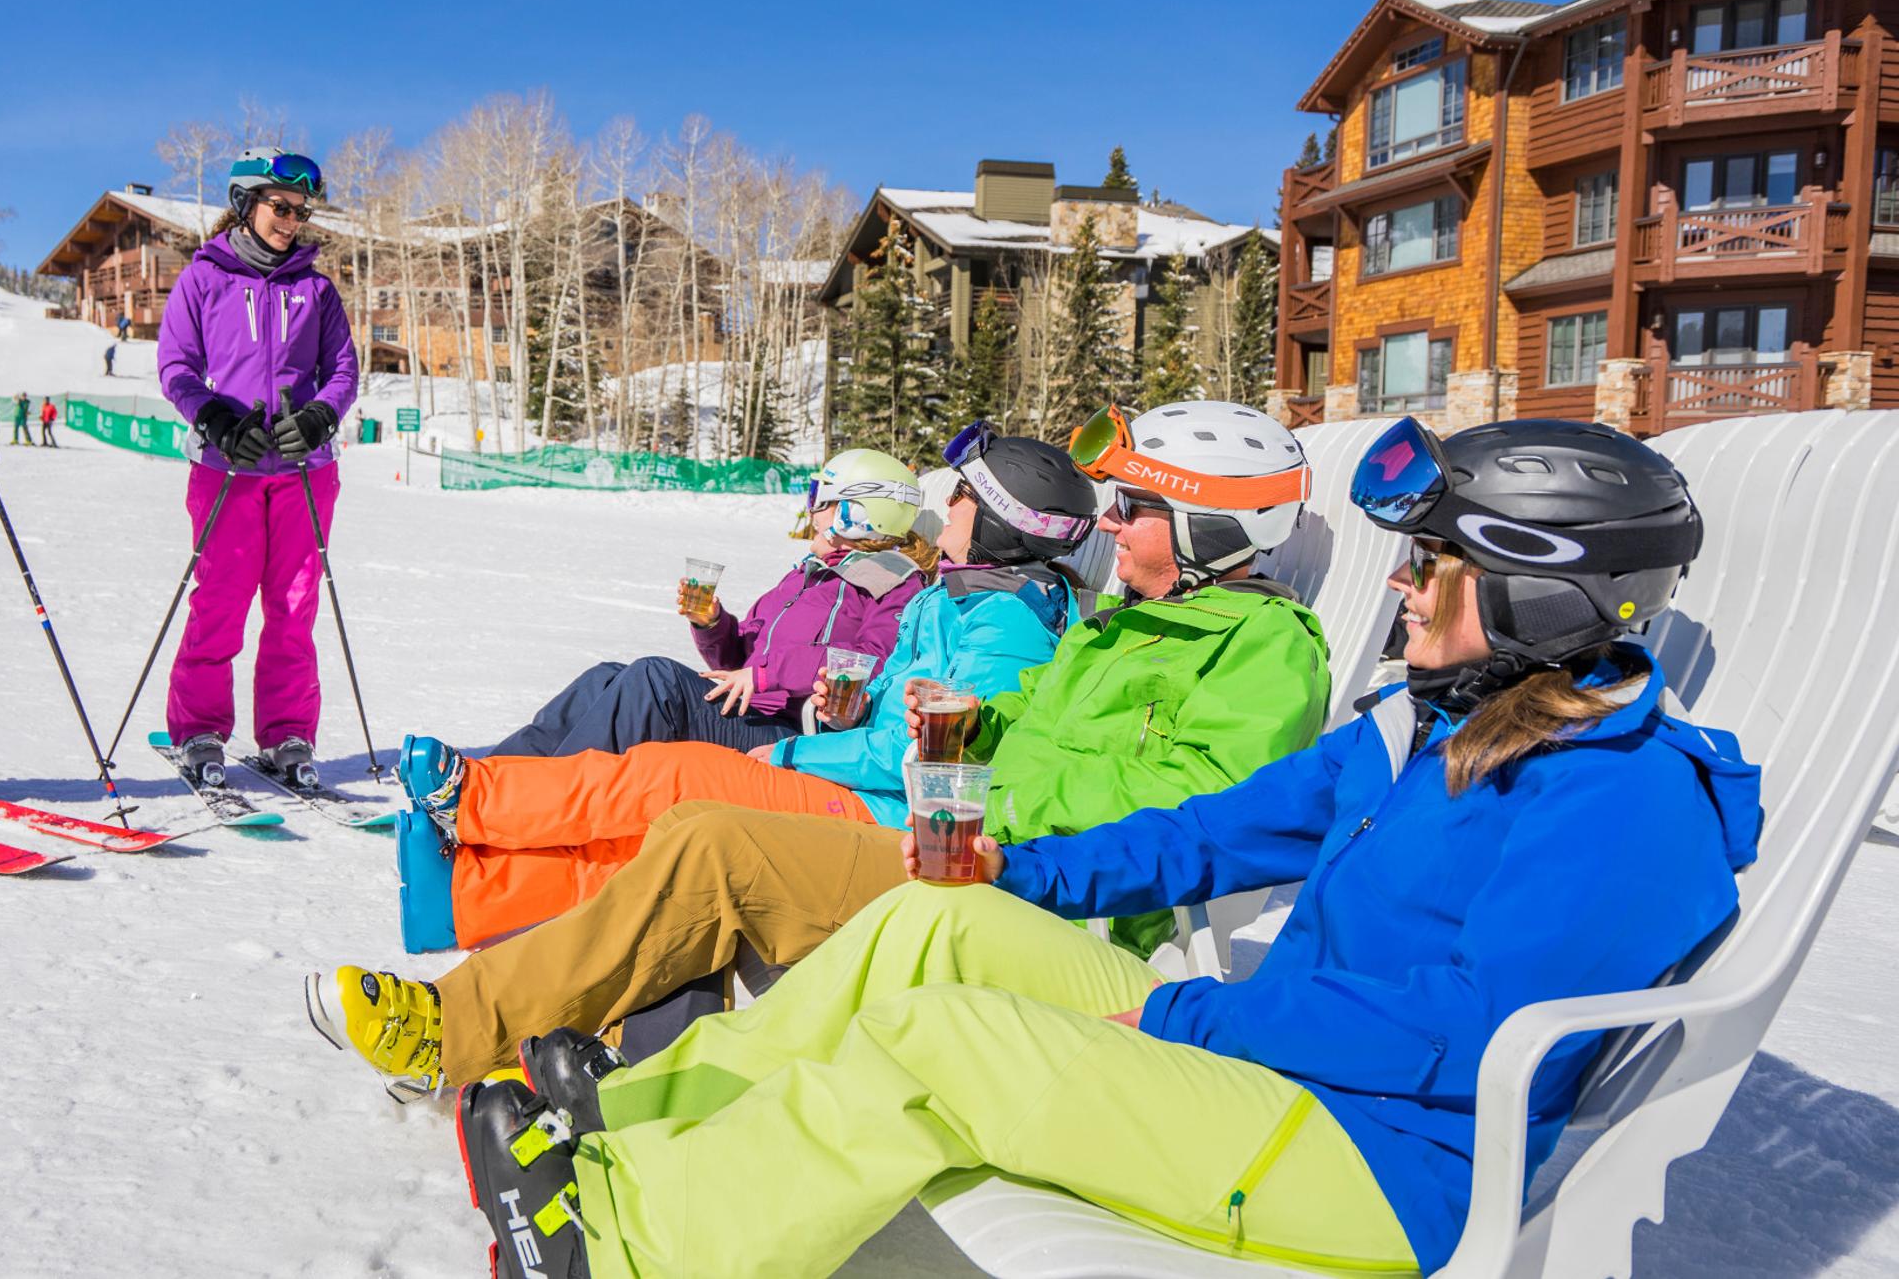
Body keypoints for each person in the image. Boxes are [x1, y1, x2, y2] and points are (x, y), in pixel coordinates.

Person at [455, 417, 1755, 1279]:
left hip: (1382, 1162)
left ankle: (624, 1242)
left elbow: (1474, 1034)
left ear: (1546, 589)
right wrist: (1011, 875)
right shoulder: (1417, 727)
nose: (1405, 589)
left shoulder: (1624, 799)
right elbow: (1206, 833)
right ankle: (633, 1122)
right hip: (1279, 1054)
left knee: (950, 1041)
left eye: (1435, 565)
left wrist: (1192, 1016)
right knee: (933, 925)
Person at [311, 402, 1329, 1092]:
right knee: (691, 812)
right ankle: (475, 959)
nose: (1115, 525)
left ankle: (467, 995)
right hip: (960, 837)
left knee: (700, 819)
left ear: (1210, 528)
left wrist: (984, 782)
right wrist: (970, 737)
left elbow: (1201, 810)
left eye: (1139, 509)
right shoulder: (1118, 626)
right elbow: (1021, 734)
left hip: (1034, 887)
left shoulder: (1265, 651)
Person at [363, 435, 1099, 961]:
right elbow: (876, 699)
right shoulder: (952, 599)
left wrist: (795, 743)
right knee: (663, 806)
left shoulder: (1000, 619)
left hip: (882, 813)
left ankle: (478, 806)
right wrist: (722, 633)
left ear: (1003, 522)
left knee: (677, 778)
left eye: (965, 498)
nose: (949, 511)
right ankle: (464, 890)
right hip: (843, 765)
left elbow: (928, 753)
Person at [489, 448, 931, 761]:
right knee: (606, 677)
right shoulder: (809, 571)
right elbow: (741, 659)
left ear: (856, 513)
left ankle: (537, 794)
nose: (811, 508)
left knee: (656, 680)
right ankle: (499, 769)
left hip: (793, 732)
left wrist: (767, 674)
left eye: (823, 497)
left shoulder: (892, 585)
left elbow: (869, 664)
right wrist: (713, 624)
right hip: (751, 710)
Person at [158, 147, 358, 788]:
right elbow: (176, 368)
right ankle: (200, 730)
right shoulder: (203, 279)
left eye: (301, 211)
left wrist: (323, 417)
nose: (292, 220)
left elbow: (344, 371)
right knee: (219, 603)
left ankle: (288, 733)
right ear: (245, 204)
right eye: (280, 206)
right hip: (228, 470)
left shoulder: (316, 289)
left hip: (304, 472)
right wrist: (213, 419)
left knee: (294, 607)